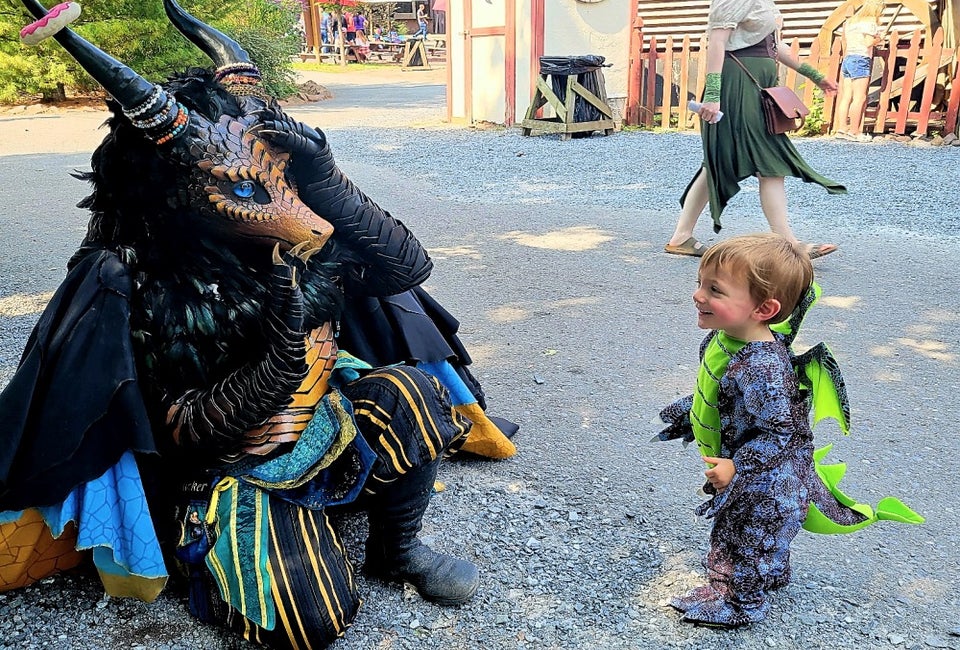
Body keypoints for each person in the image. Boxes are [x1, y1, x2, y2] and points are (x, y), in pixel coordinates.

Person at [1, 2, 498, 648]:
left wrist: (324, 175)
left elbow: (407, 265)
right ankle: (233, 554)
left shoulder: (301, 227)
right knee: (313, 618)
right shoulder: (152, 284)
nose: (308, 223)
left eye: (284, 177)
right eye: (244, 192)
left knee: (417, 396)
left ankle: (396, 549)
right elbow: (178, 427)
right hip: (237, 466)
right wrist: (272, 371)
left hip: (326, 416)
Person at [656, 234, 922, 627]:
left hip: (770, 483)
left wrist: (737, 467)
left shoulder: (761, 367)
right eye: (700, 282)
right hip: (763, 475)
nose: (698, 295)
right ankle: (773, 572)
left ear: (765, 308)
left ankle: (741, 604)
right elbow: (719, 394)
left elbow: (779, 435)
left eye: (714, 289)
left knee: (736, 542)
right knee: (757, 541)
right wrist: (687, 413)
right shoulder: (724, 340)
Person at [664, 0, 845, 261]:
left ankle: (681, 236)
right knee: (770, 161)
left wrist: (814, 75)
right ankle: (789, 245)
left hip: (755, 86)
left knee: (718, 159)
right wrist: (713, 94)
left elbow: (772, 46)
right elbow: (717, 41)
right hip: (737, 87)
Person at [834, 0, 885, 141]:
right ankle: (855, 132)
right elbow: (868, 43)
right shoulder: (870, 23)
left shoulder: (852, 22)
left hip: (848, 58)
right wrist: (880, 38)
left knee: (846, 97)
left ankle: (842, 129)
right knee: (860, 97)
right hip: (860, 59)